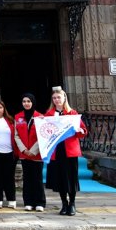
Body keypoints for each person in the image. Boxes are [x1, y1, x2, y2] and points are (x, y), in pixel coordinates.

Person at [44, 87, 87, 216]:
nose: (57, 100)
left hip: (69, 151)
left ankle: (72, 204)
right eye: (54, 98)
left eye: (59, 97)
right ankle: (64, 203)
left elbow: (83, 131)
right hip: (55, 150)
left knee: (71, 178)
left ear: (64, 98)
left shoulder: (72, 113)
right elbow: (45, 131)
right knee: (59, 178)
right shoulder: (49, 114)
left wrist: (81, 131)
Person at [14, 93, 45, 212]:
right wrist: (24, 150)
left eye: (28, 101)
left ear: (33, 103)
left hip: (36, 154)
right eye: (24, 101)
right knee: (27, 179)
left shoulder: (40, 117)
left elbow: (43, 135)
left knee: (37, 178)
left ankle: (40, 202)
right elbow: (16, 135)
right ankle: (28, 201)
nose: (26, 103)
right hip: (24, 154)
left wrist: (33, 150)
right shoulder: (18, 117)